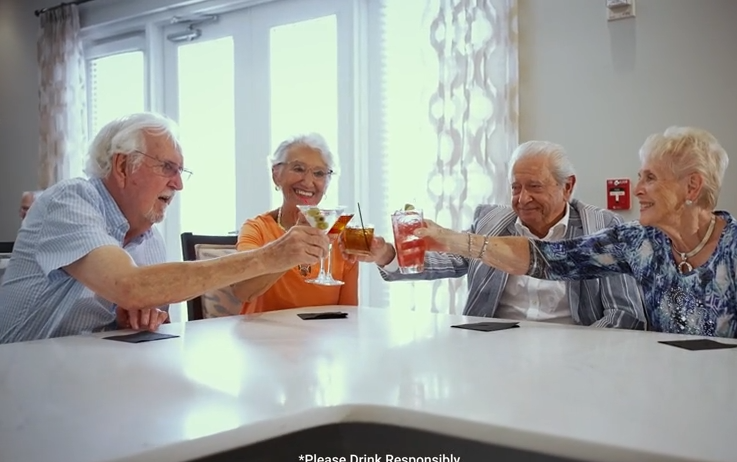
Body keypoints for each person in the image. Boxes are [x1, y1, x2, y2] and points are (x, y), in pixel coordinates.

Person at [410, 127, 737, 343]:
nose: (637, 188)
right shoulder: (639, 242)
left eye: (650, 178)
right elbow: (546, 259)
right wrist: (455, 240)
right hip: (666, 388)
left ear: (691, 187)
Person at [0, 113, 329, 344]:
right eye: (167, 168)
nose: (178, 184)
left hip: (90, 377)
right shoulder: (70, 200)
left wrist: (142, 319)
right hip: (20, 378)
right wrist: (269, 257)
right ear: (123, 165)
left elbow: (148, 314)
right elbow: (129, 286)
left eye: (180, 171)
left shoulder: (151, 240)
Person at [348, 141, 646, 329]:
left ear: (567, 187)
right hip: (493, 350)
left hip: (573, 352)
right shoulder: (491, 220)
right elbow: (449, 259)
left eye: (535, 187)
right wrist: (388, 255)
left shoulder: (602, 227)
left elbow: (624, 314)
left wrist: (582, 352)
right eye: (516, 187)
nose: (523, 199)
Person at [232, 133, 358, 313]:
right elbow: (243, 291)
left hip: (324, 331)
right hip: (264, 330)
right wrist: (290, 252)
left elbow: (349, 313)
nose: (308, 182)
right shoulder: (257, 228)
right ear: (276, 174)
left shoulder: (340, 235)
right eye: (298, 169)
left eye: (319, 173)